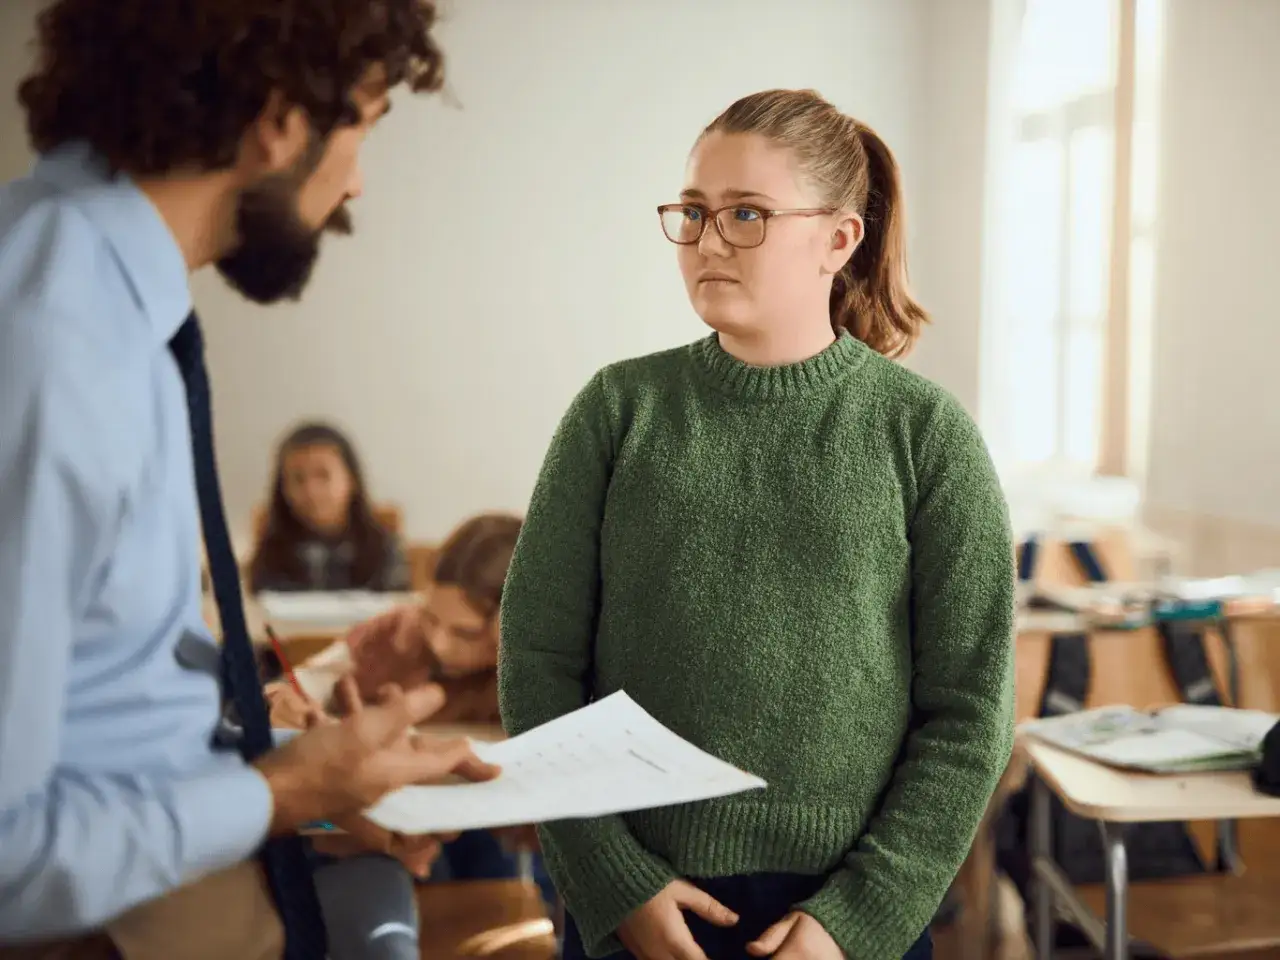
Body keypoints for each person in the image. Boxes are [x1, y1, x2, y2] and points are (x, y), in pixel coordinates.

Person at [0, 3, 499, 959]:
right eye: (363, 129)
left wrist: (277, 762)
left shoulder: (97, 296)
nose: (354, 185)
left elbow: (99, 702)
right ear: (282, 120)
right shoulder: (60, 350)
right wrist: (281, 797)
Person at [498, 89, 1017, 960]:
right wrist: (614, 882)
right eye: (694, 212)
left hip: (842, 917)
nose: (706, 241)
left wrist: (858, 919)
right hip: (639, 904)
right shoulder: (619, 411)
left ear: (839, 239)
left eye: (745, 214)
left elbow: (971, 714)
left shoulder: (924, 434)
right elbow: (537, 665)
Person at [267, 513, 554, 905]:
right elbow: (302, 685)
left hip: (490, 833)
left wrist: (516, 653)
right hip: (384, 833)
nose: (439, 643)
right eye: (431, 618)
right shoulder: (395, 634)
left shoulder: (540, 659)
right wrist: (284, 700)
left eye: (465, 633)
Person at [249, 422, 410, 595]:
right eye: (298, 479)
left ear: (352, 480)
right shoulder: (271, 550)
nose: (311, 491)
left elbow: (396, 602)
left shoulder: (382, 546)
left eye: (323, 475)